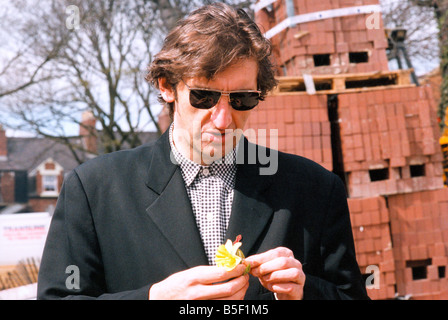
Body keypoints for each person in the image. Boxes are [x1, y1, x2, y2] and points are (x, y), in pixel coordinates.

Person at [37, 2, 369, 300]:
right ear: (167, 87)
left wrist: (306, 292)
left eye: (242, 99)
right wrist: (154, 298)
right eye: (204, 97)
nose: (223, 119)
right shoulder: (94, 189)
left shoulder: (315, 189)